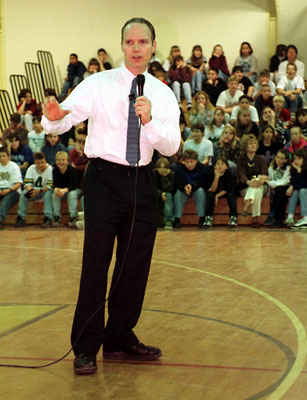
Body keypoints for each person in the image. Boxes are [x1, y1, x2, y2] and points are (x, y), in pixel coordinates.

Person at [42, 17, 180, 374]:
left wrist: (149, 121)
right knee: (96, 263)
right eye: (130, 42)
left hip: (142, 181)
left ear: (153, 46)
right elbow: (63, 119)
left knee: (134, 265)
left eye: (143, 42)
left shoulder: (163, 93)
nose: (136, 48)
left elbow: (172, 146)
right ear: (122, 46)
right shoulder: (98, 84)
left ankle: (119, 338)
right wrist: (53, 118)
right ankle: (86, 346)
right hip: (103, 179)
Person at [14, 152, 53, 228]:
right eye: (38, 163)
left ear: (45, 161)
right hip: (35, 190)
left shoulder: (50, 169)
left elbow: (50, 185)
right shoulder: (31, 168)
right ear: (35, 162)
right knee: (24, 194)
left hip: (45, 190)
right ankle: (21, 217)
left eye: (42, 162)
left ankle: (48, 218)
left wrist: (38, 191)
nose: (41, 165)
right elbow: (27, 183)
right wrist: (31, 190)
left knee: (48, 195)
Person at [237, 134, 268, 227]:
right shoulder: (241, 159)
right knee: (256, 191)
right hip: (245, 187)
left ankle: (246, 207)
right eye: (250, 144)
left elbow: (264, 173)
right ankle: (255, 217)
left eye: (255, 143)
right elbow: (241, 174)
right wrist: (249, 182)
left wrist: (259, 181)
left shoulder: (261, 159)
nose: (253, 145)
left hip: (261, 185)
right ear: (245, 146)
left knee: (257, 189)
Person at [172, 149, 206, 228]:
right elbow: (177, 182)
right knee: (178, 194)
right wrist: (184, 186)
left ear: (196, 161)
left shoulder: (202, 168)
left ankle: (202, 218)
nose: (189, 164)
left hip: (196, 190)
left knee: (201, 192)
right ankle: (177, 218)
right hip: (183, 190)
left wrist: (192, 186)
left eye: (191, 162)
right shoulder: (179, 168)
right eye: (187, 162)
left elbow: (202, 181)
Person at [203, 156, 237, 228]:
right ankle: (208, 218)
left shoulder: (230, 174)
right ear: (214, 166)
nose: (220, 166)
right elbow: (212, 189)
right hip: (215, 190)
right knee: (210, 195)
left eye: (222, 164)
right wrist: (216, 177)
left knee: (231, 196)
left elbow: (228, 189)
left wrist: (217, 196)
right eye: (218, 164)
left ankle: (233, 217)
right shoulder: (211, 173)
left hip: (226, 191)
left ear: (226, 167)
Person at [51, 151, 81, 228]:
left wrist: (64, 190)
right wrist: (56, 189)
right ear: (55, 161)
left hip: (75, 189)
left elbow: (74, 185)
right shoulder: (55, 170)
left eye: (63, 160)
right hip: (62, 190)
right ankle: (57, 217)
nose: (61, 162)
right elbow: (54, 183)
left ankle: (73, 217)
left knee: (72, 194)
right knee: (55, 195)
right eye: (58, 160)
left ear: (67, 161)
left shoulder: (73, 170)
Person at [263, 149, 290, 228]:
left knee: (280, 190)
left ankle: (278, 218)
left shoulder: (288, 168)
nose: (279, 160)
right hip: (274, 189)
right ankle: (275, 217)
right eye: (278, 157)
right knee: (277, 191)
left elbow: (285, 181)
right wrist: (268, 181)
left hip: (286, 188)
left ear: (286, 160)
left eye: (282, 158)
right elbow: (270, 179)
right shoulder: (271, 168)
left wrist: (271, 183)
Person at [0, 147, 22, 229]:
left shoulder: (14, 166)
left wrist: (9, 190)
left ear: (8, 157)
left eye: (4, 156)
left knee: (5, 202)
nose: (2, 158)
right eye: (0, 157)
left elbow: (18, 183)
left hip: (13, 190)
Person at [286, 149, 307, 228]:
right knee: (295, 192)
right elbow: (293, 181)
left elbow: (305, 183)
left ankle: (306, 218)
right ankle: (290, 217)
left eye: (299, 158)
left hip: (305, 192)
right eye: (295, 158)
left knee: (302, 190)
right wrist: (298, 171)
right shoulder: (294, 169)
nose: (296, 161)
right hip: (301, 193)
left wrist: (293, 186)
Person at [153, 157, 175, 230]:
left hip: (167, 194)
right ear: (156, 168)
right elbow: (152, 187)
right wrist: (161, 193)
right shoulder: (153, 173)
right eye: (160, 168)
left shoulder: (171, 174)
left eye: (164, 168)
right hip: (156, 193)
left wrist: (165, 178)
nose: (162, 170)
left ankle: (169, 220)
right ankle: (153, 219)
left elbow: (170, 189)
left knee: (168, 195)